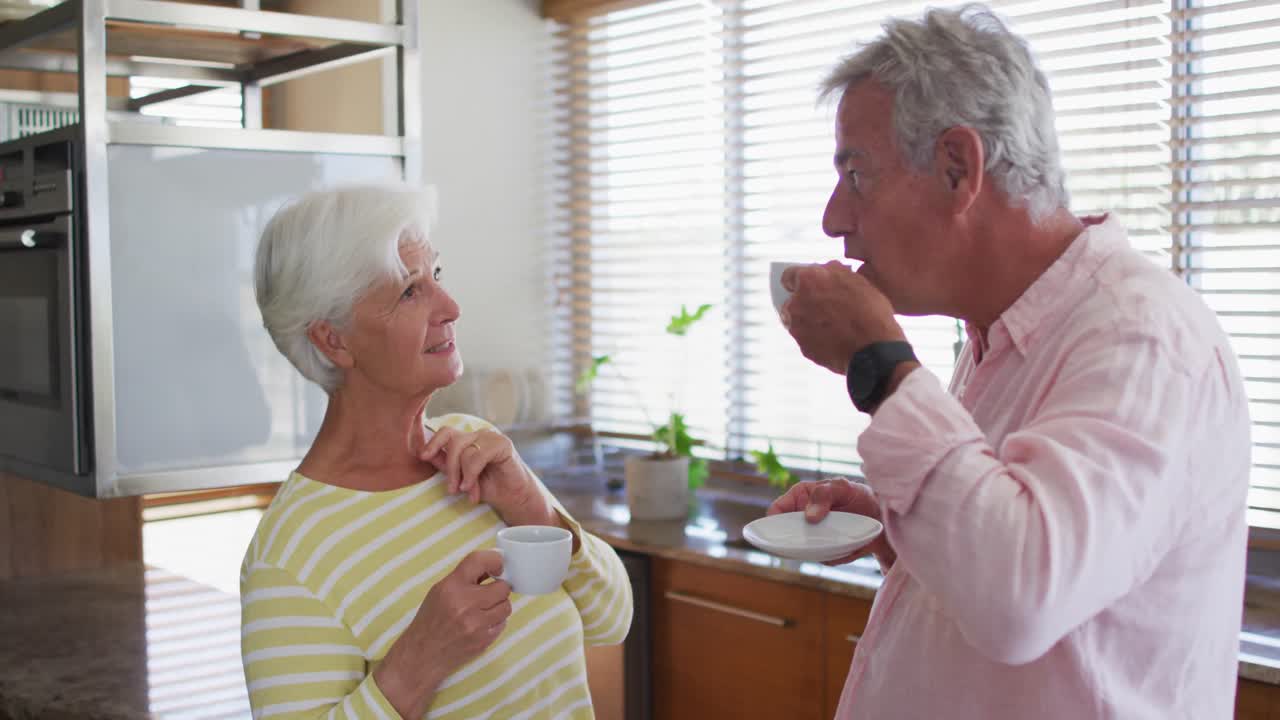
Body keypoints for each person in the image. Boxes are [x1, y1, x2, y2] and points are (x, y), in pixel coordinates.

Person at [768, 5, 1251, 719]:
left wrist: (879, 363)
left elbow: (1023, 596)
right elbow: (1016, 559)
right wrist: (898, 528)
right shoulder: (998, 336)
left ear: (958, 167)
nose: (834, 219)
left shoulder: (1142, 340)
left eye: (857, 174)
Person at [240, 185, 632, 719]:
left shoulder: (474, 450)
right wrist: (420, 657)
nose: (450, 307)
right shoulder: (289, 558)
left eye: (437, 277)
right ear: (334, 341)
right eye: (408, 291)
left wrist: (534, 511)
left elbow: (612, 618)